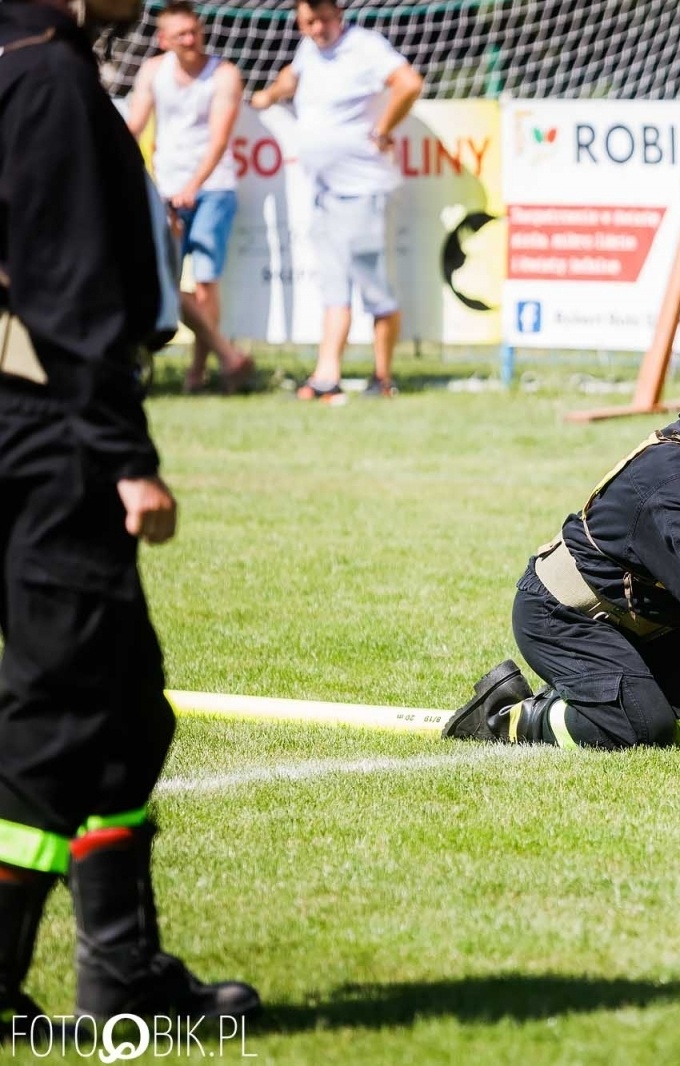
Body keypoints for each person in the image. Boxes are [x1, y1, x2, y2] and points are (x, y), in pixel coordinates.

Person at [0, 0, 257, 1022]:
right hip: (52, 431)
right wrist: (125, 458)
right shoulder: (48, 80)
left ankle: (121, 975)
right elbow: (67, 292)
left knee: (125, 705)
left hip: (32, 419)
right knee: (61, 709)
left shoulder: (23, 59)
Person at [443, 327, 680, 755]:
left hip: (644, 626)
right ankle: (512, 714)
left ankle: (598, 690)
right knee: (644, 725)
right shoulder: (675, 481)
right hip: (565, 617)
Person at [250, 0, 422, 403]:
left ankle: (383, 379)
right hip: (324, 192)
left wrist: (383, 128)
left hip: (362, 189)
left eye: (322, 20)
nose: (315, 29)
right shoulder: (309, 49)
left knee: (374, 288)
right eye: (307, 22)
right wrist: (268, 95)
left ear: (338, 14)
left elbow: (409, 83)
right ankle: (327, 376)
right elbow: (291, 78)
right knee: (333, 290)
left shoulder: (365, 46)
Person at [124, 0, 253, 395]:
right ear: (163, 40)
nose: (191, 39)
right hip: (165, 190)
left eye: (194, 31)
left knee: (207, 284)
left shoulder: (224, 74)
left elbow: (218, 138)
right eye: (181, 34)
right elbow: (134, 125)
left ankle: (198, 373)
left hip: (212, 188)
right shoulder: (152, 72)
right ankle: (227, 358)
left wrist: (193, 186)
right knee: (165, 280)